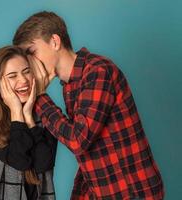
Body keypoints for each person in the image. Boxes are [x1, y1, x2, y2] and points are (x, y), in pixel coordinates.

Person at [13, 11, 164, 199]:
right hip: (106, 190)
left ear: (54, 41)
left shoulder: (97, 72)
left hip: (133, 193)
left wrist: (41, 97)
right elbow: (94, 149)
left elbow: (78, 140)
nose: (30, 63)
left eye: (32, 52)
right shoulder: (71, 84)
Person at [0, 46, 57, 200]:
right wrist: (17, 112)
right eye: (12, 76)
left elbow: (44, 164)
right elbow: (19, 160)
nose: (23, 80)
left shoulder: (45, 117)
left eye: (26, 71)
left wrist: (29, 118)